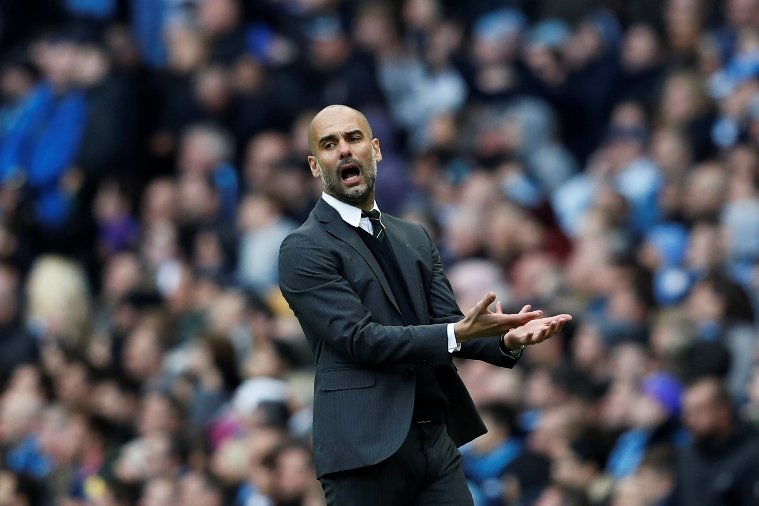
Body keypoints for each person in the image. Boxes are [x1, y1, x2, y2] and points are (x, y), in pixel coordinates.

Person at [278, 104, 571, 505]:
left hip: (434, 440)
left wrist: (505, 340)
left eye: (354, 138)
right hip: (363, 450)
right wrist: (457, 332)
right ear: (315, 166)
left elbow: (448, 324)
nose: (344, 150)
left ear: (376, 150)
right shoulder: (303, 248)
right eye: (330, 145)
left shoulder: (413, 236)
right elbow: (360, 338)